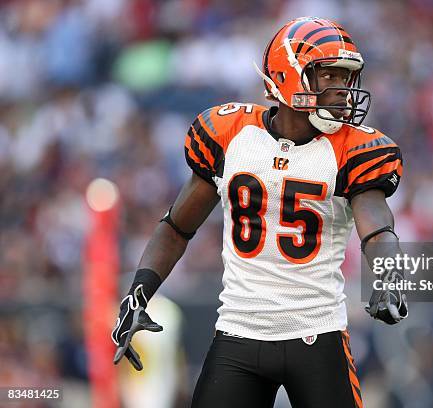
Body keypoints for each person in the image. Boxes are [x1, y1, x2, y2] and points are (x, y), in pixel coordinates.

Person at [111, 16, 408, 408]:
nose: (342, 91)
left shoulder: (350, 149)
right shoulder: (232, 134)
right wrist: (137, 294)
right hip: (239, 331)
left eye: (346, 78)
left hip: (316, 332)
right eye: (329, 77)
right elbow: (176, 227)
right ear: (290, 77)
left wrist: (389, 275)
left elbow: (378, 229)